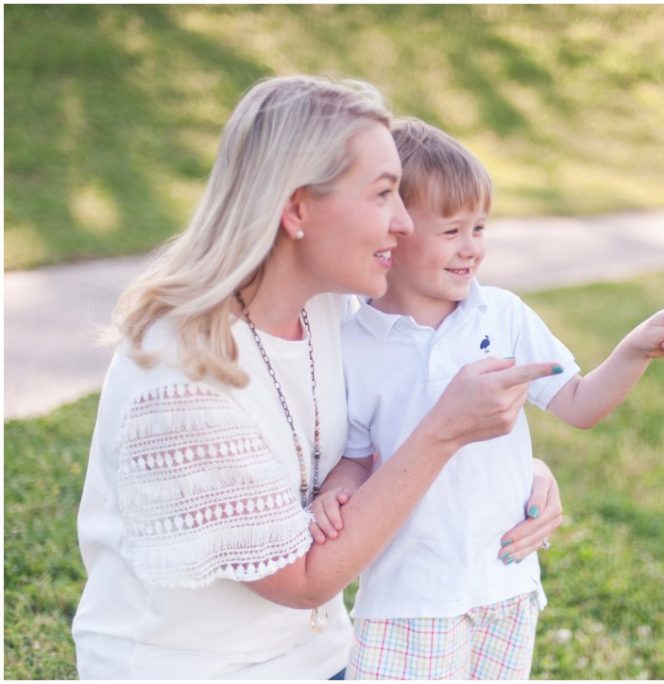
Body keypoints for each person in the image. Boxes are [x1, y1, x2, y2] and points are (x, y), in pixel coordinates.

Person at [70, 75, 566, 679]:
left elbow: (394, 418)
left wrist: (521, 471)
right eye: (384, 195)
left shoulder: (327, 307)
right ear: (297, 208)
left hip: (322, 658)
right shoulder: (180, 375)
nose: (405, 224)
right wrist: (446, 434)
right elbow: (304, 580)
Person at [308, 118, 664, 679]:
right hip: (410, 599)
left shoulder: (503, 315)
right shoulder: (356, 344)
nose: (471, 249)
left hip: (506, 584)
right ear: (394, 235)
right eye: (451, 232)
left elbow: (578, 402)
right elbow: (356, 456)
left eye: (480, 229)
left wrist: (633, 352)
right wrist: (336, 493)